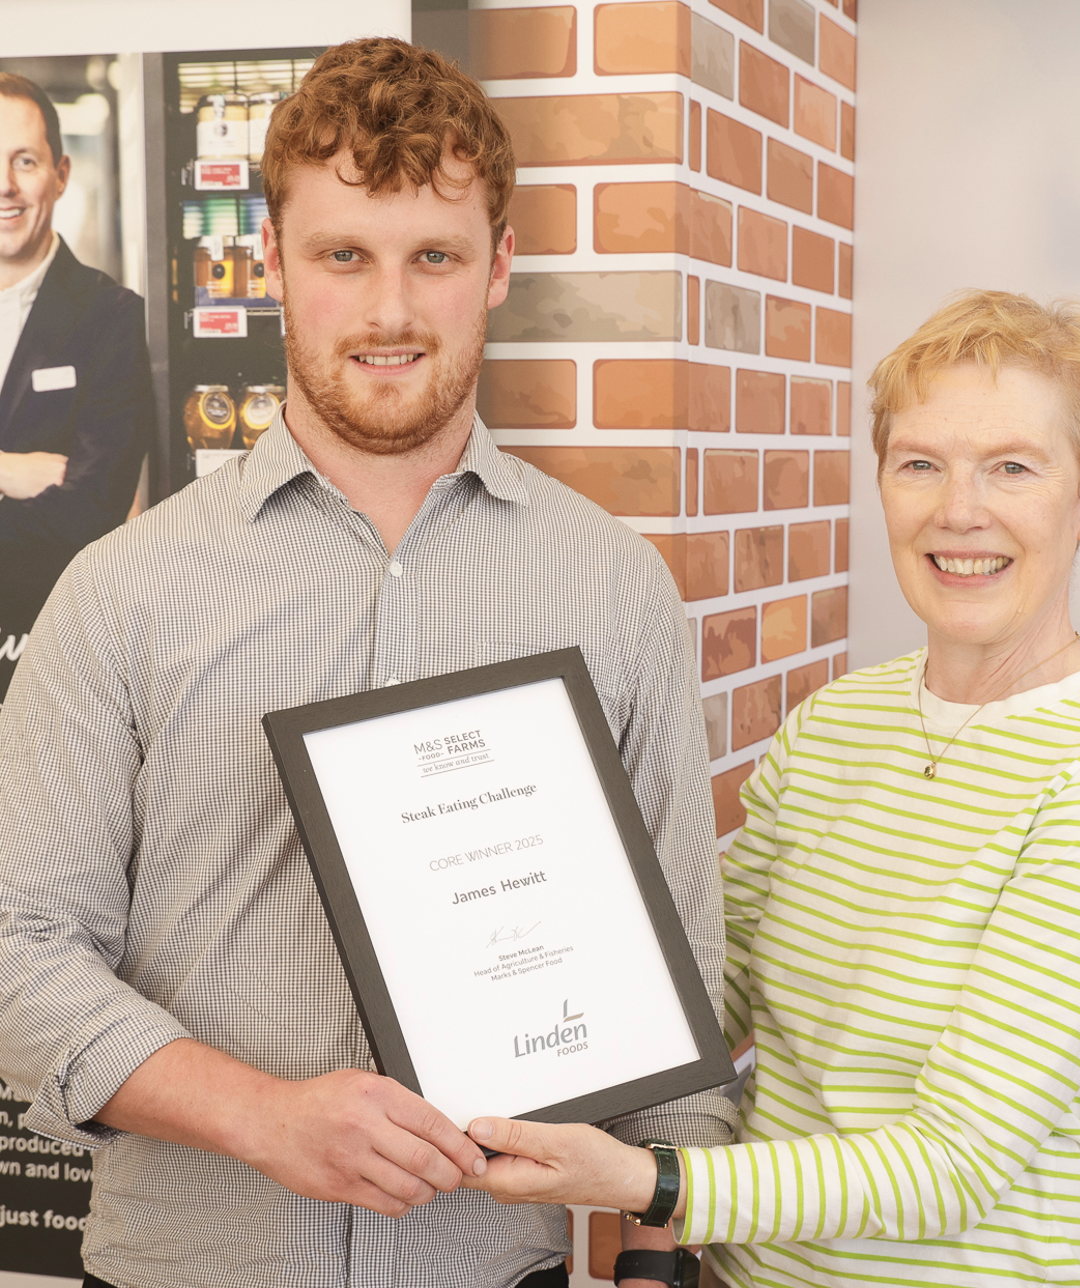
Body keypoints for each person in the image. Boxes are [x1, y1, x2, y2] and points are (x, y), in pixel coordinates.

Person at [0, 38, 733, 1288]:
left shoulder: (612, 588)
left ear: (499, 267)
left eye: (433, 257)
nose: (390, 311)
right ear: (274, 261)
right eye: (345, 255)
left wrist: (654, 1263)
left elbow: (677, 995)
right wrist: (263, 1117)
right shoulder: (120, 590)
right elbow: (20, 950)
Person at [460, 291, 1080, 1288]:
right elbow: (710, 994)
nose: (958, 510)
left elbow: (956, 1163)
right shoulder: (837, 723)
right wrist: (503, 993)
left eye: (1013, 468)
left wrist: (653, 1183)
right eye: (920, 463)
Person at [0, 71, 154, 697]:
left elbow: (92, 510)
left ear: (61, 174)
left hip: (46, 655)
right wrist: (11, 469)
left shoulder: (111, 316)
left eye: (25, 161)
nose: (5, 186)